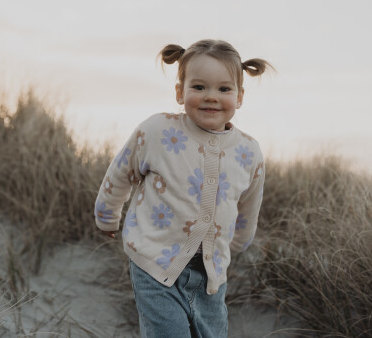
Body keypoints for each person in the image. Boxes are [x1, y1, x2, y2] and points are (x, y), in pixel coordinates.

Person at [94, 39, 273, 337]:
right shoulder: (157, 131)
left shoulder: (249, 152)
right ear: (180, 92)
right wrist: (106, 215)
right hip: (154, 262)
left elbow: (249, 206)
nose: (211, 97)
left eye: (224, 89)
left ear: (240, 96)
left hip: (211, 274)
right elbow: (121, 172)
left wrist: (238, 243)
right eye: (199, 87)